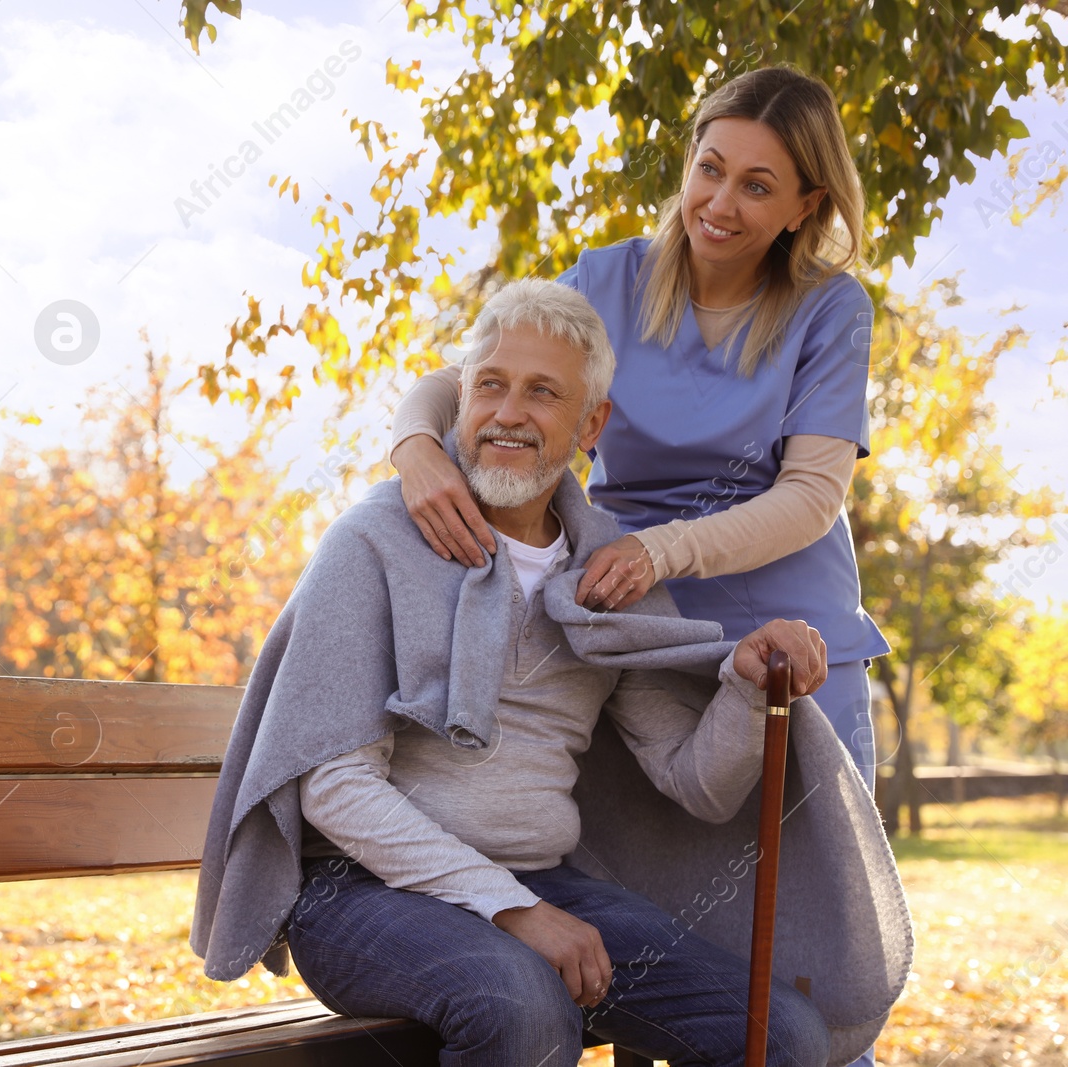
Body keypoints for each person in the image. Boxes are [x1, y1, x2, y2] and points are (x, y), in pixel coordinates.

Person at [189, 278, 912, 1067]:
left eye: (543, 393)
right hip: (361, 891)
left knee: (781, 1038)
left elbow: (697, 781)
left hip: (545, 879)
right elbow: (334, 790)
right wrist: (514, 908)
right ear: (460, 399)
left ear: (591, 423)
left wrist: (744, 682)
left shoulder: (605, 575)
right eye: (491, 386)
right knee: (525, 1008)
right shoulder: (373, 542)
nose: (508, 413)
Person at [389, 66, 889, 792]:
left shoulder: (832, 309)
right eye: (709, 170)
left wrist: (658, 551)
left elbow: (813, 494)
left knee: (813, 892)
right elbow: (460, 380)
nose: (719, 204)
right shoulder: (605, 281)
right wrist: (416, 452)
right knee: (641, 890)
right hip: (633, 633)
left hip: (791, 643)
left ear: (804, 205)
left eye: (757, 185)